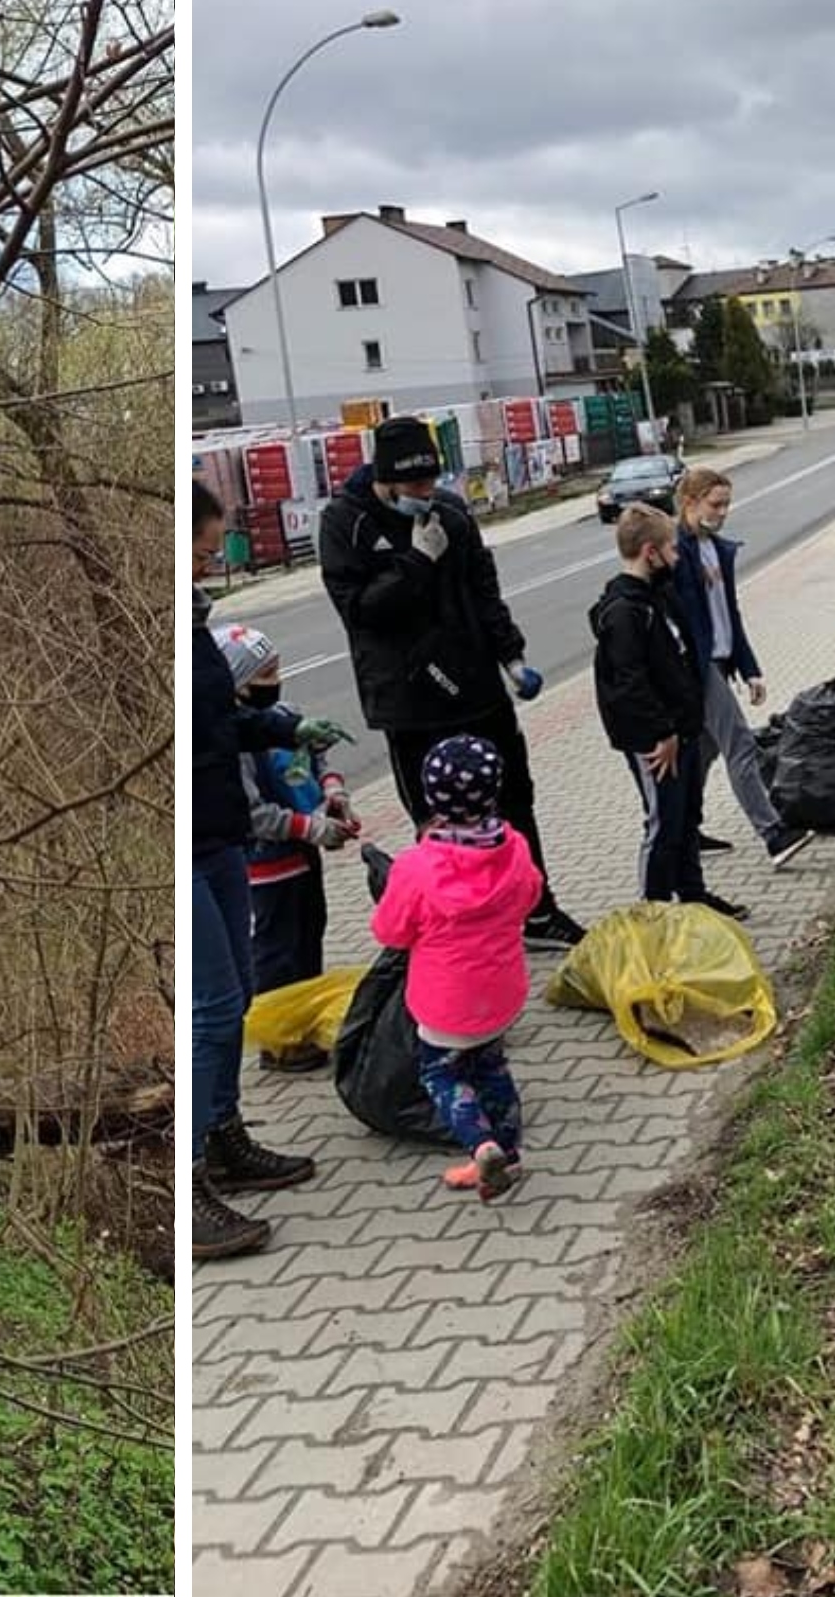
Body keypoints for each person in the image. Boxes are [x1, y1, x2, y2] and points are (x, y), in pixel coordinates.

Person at [318, 414, 587, 949]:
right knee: (435, 822)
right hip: (410, 700)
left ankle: (535, 911)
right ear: (386, 478)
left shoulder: (451, 512)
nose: (426, 493)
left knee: (514, 800)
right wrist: (417, 561)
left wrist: (510, 656)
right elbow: (362, 613)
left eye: (431, 482)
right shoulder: (345, 523)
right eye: (415, 485)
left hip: (476, 686)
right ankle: (458, 930)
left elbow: (483, 588)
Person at [191, 485, 353, 1260]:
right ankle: (188, 1180)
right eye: (200, 546)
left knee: (233, 999)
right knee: (215, 1008)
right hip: (194, 842)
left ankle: (226, 1134)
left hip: (220, 836)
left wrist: (288, 724)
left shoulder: (194, 628)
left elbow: (223, 722)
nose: (211, 560)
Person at [369, 735, 542, 1199]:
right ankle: (512, 1151)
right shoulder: (516, 848)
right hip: (501, 992)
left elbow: (390, 931)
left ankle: (481, 1146)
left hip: (446, 1003)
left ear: (432, 797)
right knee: (493, 1067)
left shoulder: (416, 868)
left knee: (443, 1074)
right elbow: (531, 897)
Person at [214, 624, 364, 1072]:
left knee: (309, 933)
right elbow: (252, 812)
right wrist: (308, 828)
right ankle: (279, 1039)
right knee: (277, 949)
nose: (273, 681)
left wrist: (334, 796)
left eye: (276, 669)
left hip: (303, 853)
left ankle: (306, 1019)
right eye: (263, 673)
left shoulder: (287, 716)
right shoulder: (234, 744)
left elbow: (318, 760)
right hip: (266, 862)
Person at [591, 504, 741, 913]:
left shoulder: (660, 596)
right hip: (656, 741)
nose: (678, 556)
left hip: (683, 728)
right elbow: (629, 684)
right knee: (664, 824)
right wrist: (662, 732)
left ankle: (693, 896)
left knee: (686, 817)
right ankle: (652, 914)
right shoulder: (625, 611)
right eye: (672, 549)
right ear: (649, 552)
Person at [671, 466, 814, 867]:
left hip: (719, 661)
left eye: (727, 504)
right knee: (740, 743)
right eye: (716, 504)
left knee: (704, 749)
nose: (723, 512)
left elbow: (728, 613)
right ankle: (774, 835)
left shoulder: (716, 548)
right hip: (694, 668)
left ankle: (684, 829)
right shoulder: (674, 552)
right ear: (690, 502)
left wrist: (749, 667)